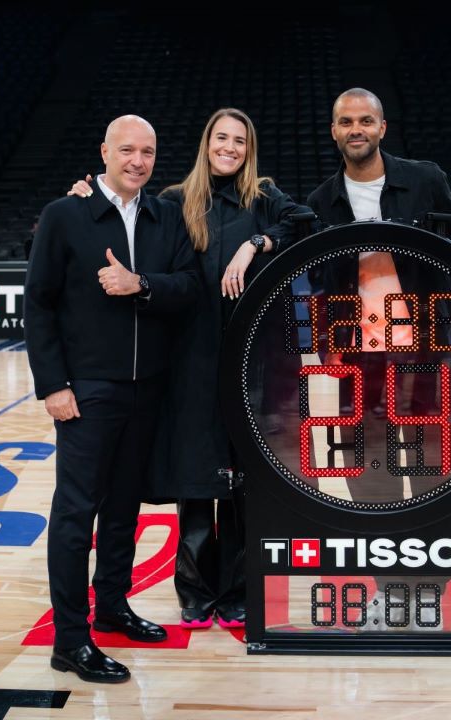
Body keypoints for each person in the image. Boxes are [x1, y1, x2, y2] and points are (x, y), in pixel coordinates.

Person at [70, 108, 310, 630]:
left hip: (252, 361)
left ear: (249, 150)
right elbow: (126, 214)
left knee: (245, 482)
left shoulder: (264, 199)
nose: (230, 148)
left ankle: (240, 590)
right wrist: (88, 197)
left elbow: (307, 223)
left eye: (240, 141)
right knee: (197, 479)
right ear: (206, 143)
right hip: (190, 361)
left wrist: (255, 242)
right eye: (221, 138)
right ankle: (196, 589)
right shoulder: (176, 202)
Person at [306, 87, 451, 629]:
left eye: (366, 120)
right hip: (355, 354)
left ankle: (428, 579)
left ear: (382, 127)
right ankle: (389, 584)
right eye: (346, 121)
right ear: (334, 131)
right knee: (371, 466)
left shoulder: (425, 178)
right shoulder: (320, 201)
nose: (356, 129)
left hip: (423, 347)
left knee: (432, 459)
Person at [25, 115, 198, 683]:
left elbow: (188, 288)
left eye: (147, 151)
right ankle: (70, 640)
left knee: (124, 509)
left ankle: (113, 608)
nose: (137, 161)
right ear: (104, 151)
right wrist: (52, 385)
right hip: (86, 392)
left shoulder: (164, 215)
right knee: (76, 515)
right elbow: (39, 306)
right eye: (126, 150)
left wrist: (140, 283)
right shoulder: (64, 215)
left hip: (146, 389)